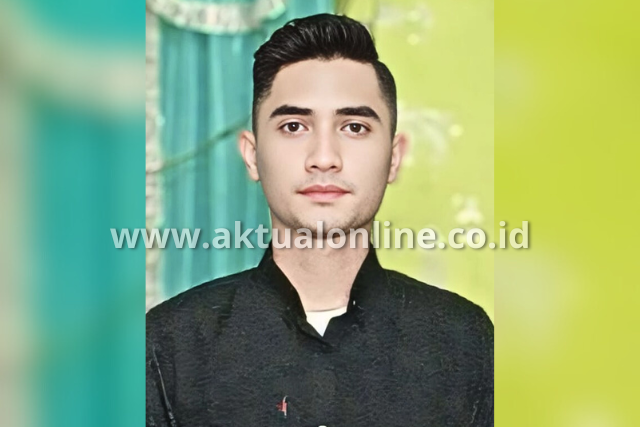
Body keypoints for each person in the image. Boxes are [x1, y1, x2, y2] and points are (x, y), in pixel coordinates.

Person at [146, 13, 493, 427]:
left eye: (354, 127)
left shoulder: (466, 341)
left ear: (393, 157)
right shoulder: (168, 345)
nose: (324, 158)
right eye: (294, 126)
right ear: (252, 156)